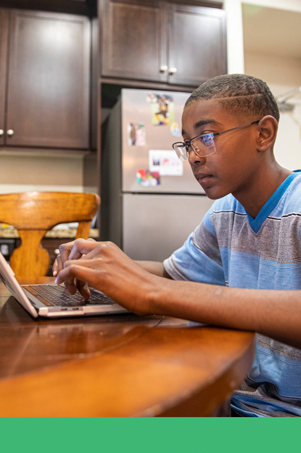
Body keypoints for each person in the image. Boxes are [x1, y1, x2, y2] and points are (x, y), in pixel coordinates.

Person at [53, 74, 301, 417]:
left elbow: (161, 290)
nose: (194, 156)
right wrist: (103, 262)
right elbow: (173, 276)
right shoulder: (225, 213)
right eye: (188, 143)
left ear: (263, 133)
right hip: (246, 403)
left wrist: (151, 292)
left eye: (207, 137)